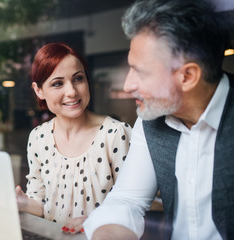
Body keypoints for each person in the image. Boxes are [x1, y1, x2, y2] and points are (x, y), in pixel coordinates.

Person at [83, 0, 233, 239]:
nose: (128, 85)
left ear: (188, 76)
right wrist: (107, 232)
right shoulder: (152, 117)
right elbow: (127, 200)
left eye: (140, 72)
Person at [15, 42, 132, 234]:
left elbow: (131, 205)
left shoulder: (115, 134)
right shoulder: (38, 137)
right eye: (57, 83)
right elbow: (41, 204)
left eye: (78, 79)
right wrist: (23, 203)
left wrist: (97, 220)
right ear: (39, 90)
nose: (72, 91)